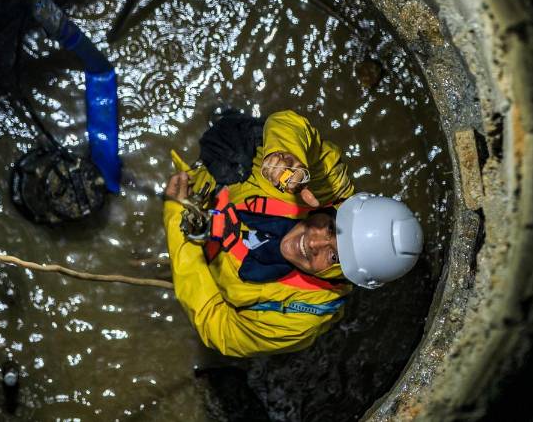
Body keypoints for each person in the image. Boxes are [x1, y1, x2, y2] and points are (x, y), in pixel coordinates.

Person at [162, 110, 423, 357]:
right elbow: (290, 123)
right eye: (330, 229)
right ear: (338, 211)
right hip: (217, 183)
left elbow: (218, 328)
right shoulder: (328, 186)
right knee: (236, 138)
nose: (312, 242)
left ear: (348, 274)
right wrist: (284, 155)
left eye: (334, 257)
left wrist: (176, 216)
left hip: (199, 254)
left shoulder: (299, 320)